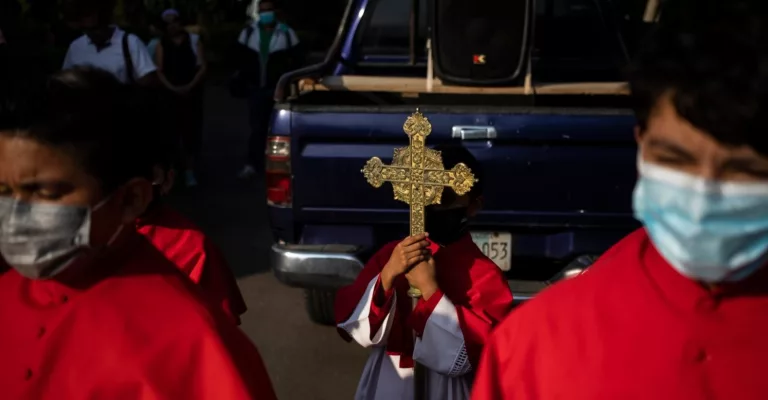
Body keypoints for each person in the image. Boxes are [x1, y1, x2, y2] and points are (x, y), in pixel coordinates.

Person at [471, 2, 768, 399]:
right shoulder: (537, 344)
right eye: (674, 159)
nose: (702, 194)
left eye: (742, 172)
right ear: (641, 144)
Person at [0, 67, 276, 399]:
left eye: (45, 193)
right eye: (3, 191)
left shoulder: (193, 343)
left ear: (131, 199)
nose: (17, 212)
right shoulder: (7, 292)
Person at [335, 145, 515, 400]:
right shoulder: (392, 255)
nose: (436, 206)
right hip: (390, 379)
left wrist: (430, 291)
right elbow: (355, 327)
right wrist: (387, 277)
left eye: (448, 198)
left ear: (474, 205)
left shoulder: (485, 274)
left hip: (449, 389)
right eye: (428, 197)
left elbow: (480, 354)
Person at [136, 155, 248, 325]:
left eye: (146, 176)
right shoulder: (87, 240)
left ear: (168, 179)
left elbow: (219, 333)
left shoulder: (195, 248)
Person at [236, 0, 302, 179]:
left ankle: (277, 166)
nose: (266, 14)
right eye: (263, 11)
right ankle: (252, 164)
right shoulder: (248, 32)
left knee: (277, 129)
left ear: (275, 11)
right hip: (256, 89)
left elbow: (297, 62)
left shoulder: (287, 34)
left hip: (277, 90)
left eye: (269, 10)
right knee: (257, 128)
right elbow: (239, 58)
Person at [155, 8, 207, 188]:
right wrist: (172, 88)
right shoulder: (161, 44)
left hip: (191, 94)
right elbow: (159, 70)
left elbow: (202, 66)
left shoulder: (193, 41)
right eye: (167, 23)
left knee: (190, 133)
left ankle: (189, 171)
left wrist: (189, 86)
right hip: (169, 95)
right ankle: (173, 171)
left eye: (174, 21)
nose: (172, 26)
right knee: (170, 133)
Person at [61, 0, 156, 85]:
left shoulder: (130, 43)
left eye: (97, 28)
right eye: (87, 30)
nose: (93, 34)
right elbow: (65, 81)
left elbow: (147, 82)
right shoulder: (76, 47)